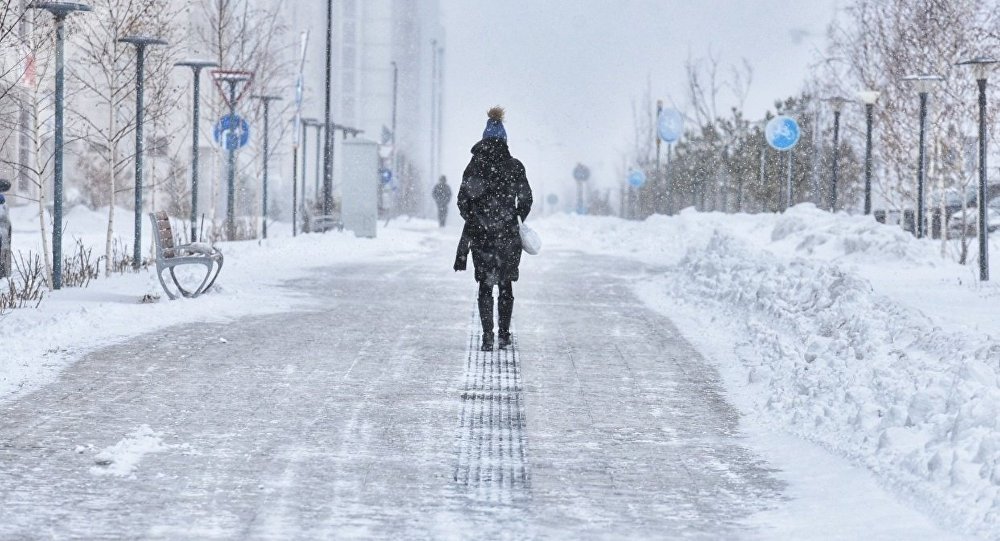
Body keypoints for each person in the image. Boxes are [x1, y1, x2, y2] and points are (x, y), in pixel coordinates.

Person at [455, 106, 532, 351]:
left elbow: (462, 200)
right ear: (505, 141)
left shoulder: (474, 166)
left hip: (482, 236)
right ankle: (504, 333)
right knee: (506, 285)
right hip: (508, 236)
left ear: (484, 139)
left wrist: (475, 218)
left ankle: (487, 335)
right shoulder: (515, 166)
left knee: (485, 286)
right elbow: (527, 198)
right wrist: (515, 217)